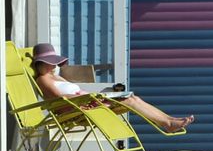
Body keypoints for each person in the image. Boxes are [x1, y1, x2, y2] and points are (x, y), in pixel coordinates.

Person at [30, 43, 195, 133]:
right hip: (80, 109)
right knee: (129, 102)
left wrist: (93, 97)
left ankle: (169, 120)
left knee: (133, 98)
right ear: (39, 63)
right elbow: (61, 101)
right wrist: (92, 98)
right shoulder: (44, 80)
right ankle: (167, 123)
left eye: (53, 62)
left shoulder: (54, 76)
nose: (52, 65)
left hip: (88, 103)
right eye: (48, 62)